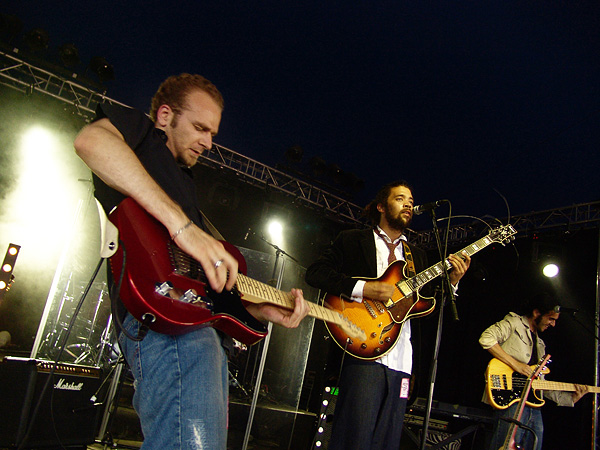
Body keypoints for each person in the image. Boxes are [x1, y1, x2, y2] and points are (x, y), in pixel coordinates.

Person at [74, 73, 310, 450]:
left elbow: (206, 286)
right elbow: (90, 141)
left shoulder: (184, 186)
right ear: (165, 115)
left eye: (213, 134)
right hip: (167, 325)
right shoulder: (141, 134)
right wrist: (183, 227)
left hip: (199, 330)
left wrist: (263, 310)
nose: (208, 142)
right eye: (201, 128)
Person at [305, 180, 471, 450]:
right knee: (353, 439)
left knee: (387, 442)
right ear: (382, 206)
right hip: (362, 351)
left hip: (402, 362)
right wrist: (363, 288)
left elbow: (425, 309)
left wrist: (452, 282)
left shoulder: (416, 254)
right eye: (400, 198)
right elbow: (315, 273)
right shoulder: (352, 240)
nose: (408, 204)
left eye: (410, 200)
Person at [479, 292, 590, 450]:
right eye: (550, 319)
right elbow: (486, 338)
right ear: (537, 312)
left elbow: (539, 384)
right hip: (511, 400)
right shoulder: (514, 322)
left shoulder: (540, 344)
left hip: (533, 405)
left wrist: (571, 398)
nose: (553, 324)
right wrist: (516, 365)